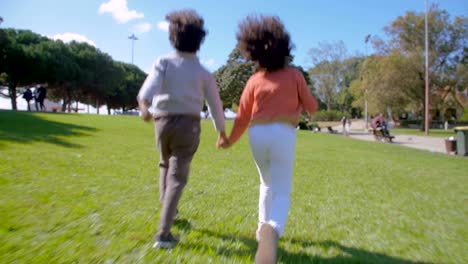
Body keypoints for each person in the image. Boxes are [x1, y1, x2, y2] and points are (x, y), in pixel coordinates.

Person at [219, 15, 318, 263]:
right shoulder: (294, 75)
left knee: (266, 184)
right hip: (283, 133)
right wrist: (302, 102)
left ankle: (261, 228)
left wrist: (229, 140)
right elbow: (312, 107)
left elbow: (241, 118)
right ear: (284, 47)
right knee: (282, 192)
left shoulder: (253, 81)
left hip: (257, 135)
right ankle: (271, 229)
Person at [137, 9, 227, 249]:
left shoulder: (163, 62)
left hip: (162, 122)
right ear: (200, 41)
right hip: (189, 124)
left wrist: (145, 107)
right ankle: (164, 233)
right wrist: (221, 131)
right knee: (178, 175)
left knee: (165, 164)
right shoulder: (204, 73)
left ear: (172, 37)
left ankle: (169, 206)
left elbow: (146, 92)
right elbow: (215, 105)